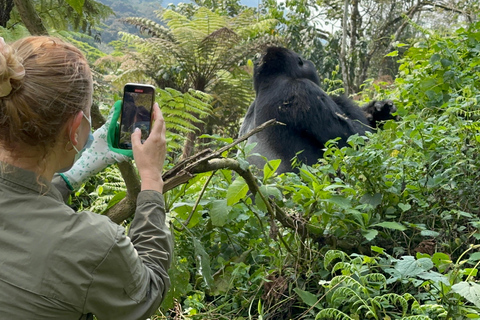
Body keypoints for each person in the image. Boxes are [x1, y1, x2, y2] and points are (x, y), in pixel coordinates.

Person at [0, 36, 173, 319]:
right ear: (76, 128)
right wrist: (152, 179)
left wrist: (72, 177)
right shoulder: (93, 245)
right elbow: (148, 292)